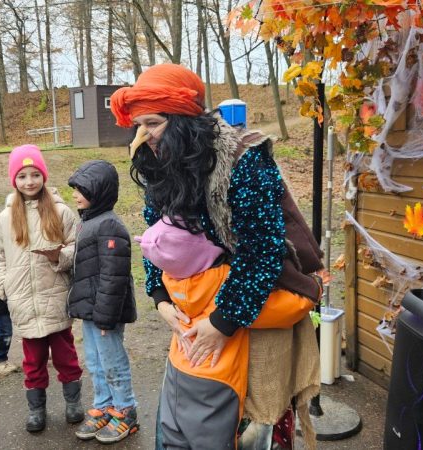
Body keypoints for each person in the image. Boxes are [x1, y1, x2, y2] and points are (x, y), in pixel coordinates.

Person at [110, 63, 323, 450]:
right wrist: (159, 297)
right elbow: (155, 236)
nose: (144, 136)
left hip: (258, 308)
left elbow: (264, 250)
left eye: (153, 123)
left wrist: (223, 321)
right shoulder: (161, 161)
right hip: (196, 306)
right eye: (139, 124)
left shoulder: (243, 161)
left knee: (254, 427)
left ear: (183, 121)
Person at [0, 144, 84, 433]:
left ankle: (72, 402)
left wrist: (60, 257)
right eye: (22, 176)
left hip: (54, 297)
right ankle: (36, 408)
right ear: (14, 181)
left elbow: (76, 247)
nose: (29, 181)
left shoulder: (62, 212)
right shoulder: (5, 218)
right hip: (23, 301)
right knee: (33, 360)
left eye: (34, 174)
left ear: (43, 176)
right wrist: (3, 286)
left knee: (66, 355)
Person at [66, 160, 139, 444]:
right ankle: (104, 404)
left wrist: (106, 317)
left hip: (105, 312)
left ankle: (125, 410)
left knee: (112, 361)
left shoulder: (109, 225)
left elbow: (113, 275)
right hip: (90, 310)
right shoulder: (89, 222)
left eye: (80, 190)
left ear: (98, 191)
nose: (74, 195)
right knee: (95, 362)